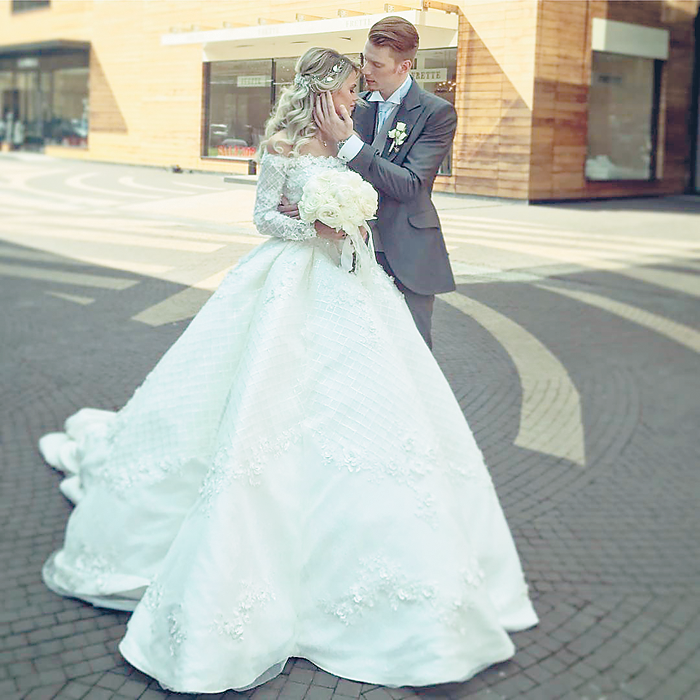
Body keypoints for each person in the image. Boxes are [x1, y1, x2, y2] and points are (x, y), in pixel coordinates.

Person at [39, 47, 537, 695]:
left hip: (355, 285)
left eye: (361, 85)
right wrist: (315, 229)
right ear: (324, 90)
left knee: (372, 407)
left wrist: (351, 216)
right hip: (291, 279)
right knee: (263, 401)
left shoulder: (351, 135)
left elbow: (385, 188)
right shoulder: (279, 143)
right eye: (351, 86)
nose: (358, 95)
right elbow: (264, 217)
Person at [284, 17, 457, 348]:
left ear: (404, 66)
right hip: (348, 249)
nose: (365, 70)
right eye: (365, 59)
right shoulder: (352, 105)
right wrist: (305, 203)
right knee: (359, 349)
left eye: (377, 64)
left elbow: (411, 185)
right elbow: (323, 164)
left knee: (412, 349)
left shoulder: (437, 113)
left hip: (408, 250)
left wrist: (350, 143)